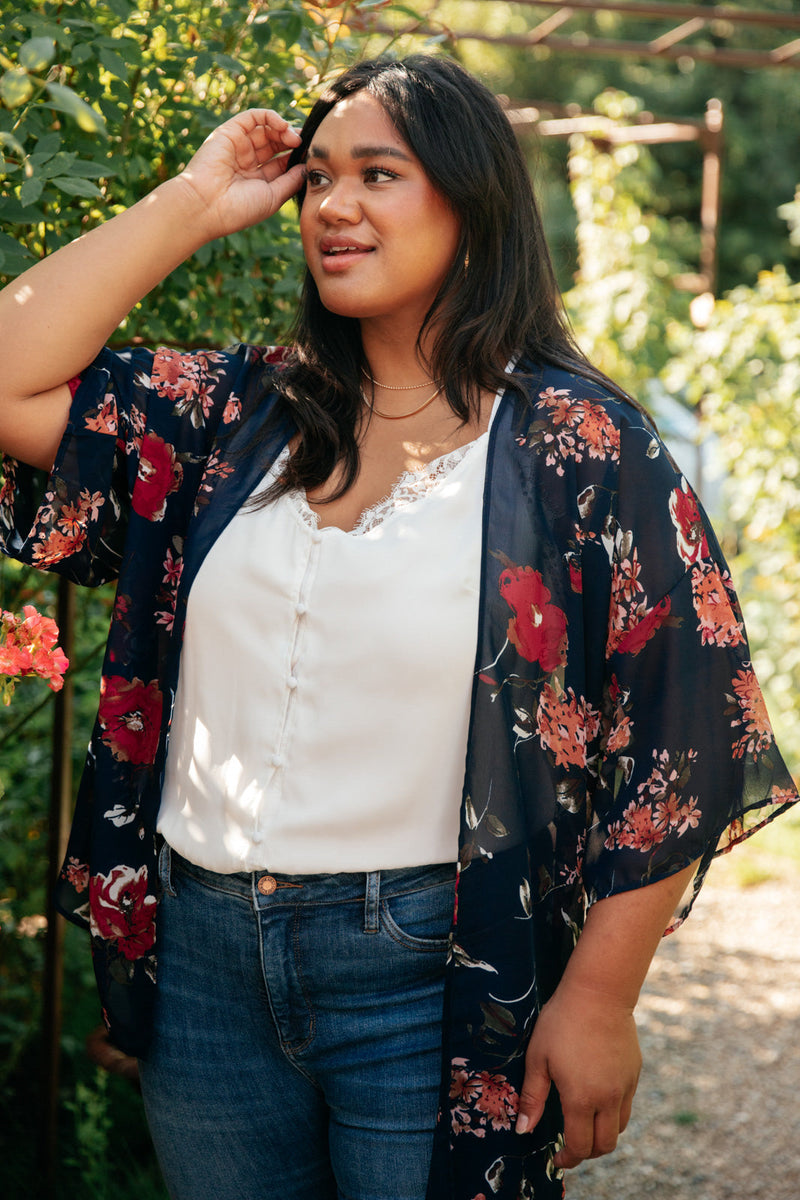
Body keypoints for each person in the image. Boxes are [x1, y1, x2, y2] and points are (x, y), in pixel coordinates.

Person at [0, 53, 796, 1200]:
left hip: (429, 968)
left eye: (379, 173)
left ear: (469, 205)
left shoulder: (580, 447)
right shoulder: (239, 413)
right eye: (318, 177)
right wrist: (191, 200)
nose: (333, 205)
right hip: (206, 961)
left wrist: (597, 998)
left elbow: (686, 734)